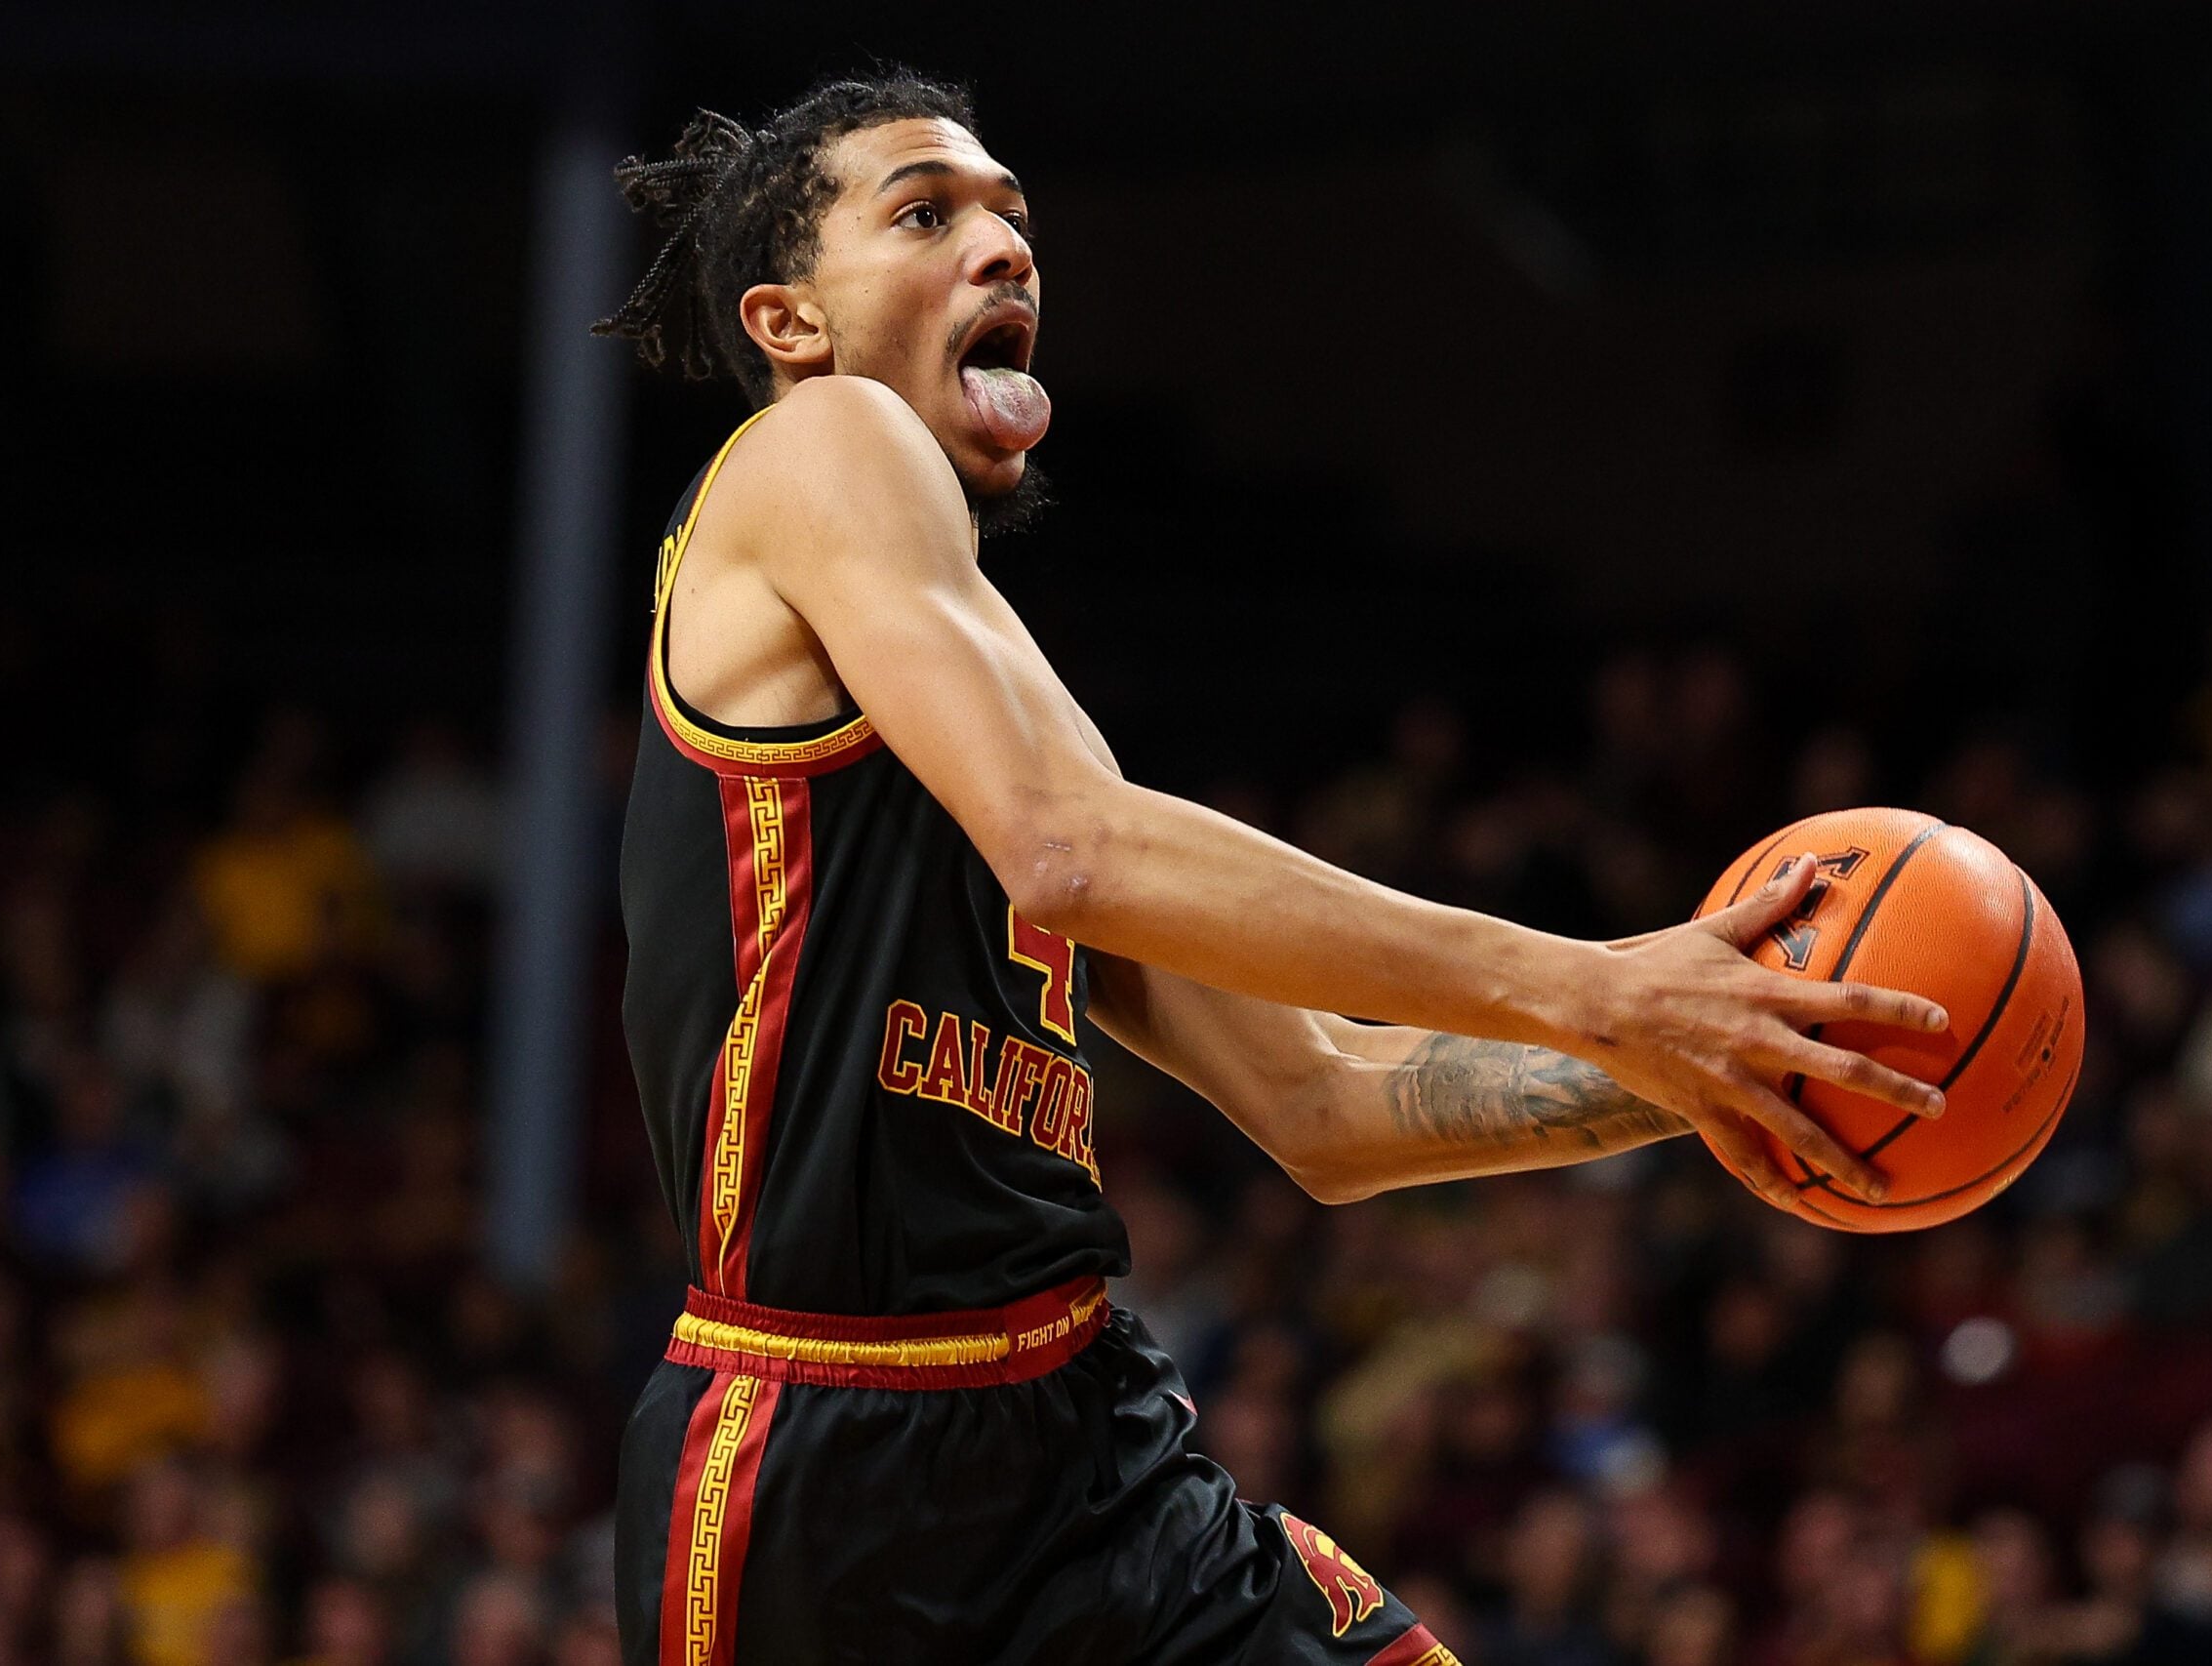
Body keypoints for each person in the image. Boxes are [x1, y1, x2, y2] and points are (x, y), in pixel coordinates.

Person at [594, 72, 1951, 1666]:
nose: (1005, 247)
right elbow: (1067, 856)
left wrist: (1722, 1060)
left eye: (1015, 218)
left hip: (1081, 1442)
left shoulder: (1016, 705)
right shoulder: (822, 442)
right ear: (789, 323)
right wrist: (1598, 981)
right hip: (828, 1467)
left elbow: (1327, 1111)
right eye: (926, 212)